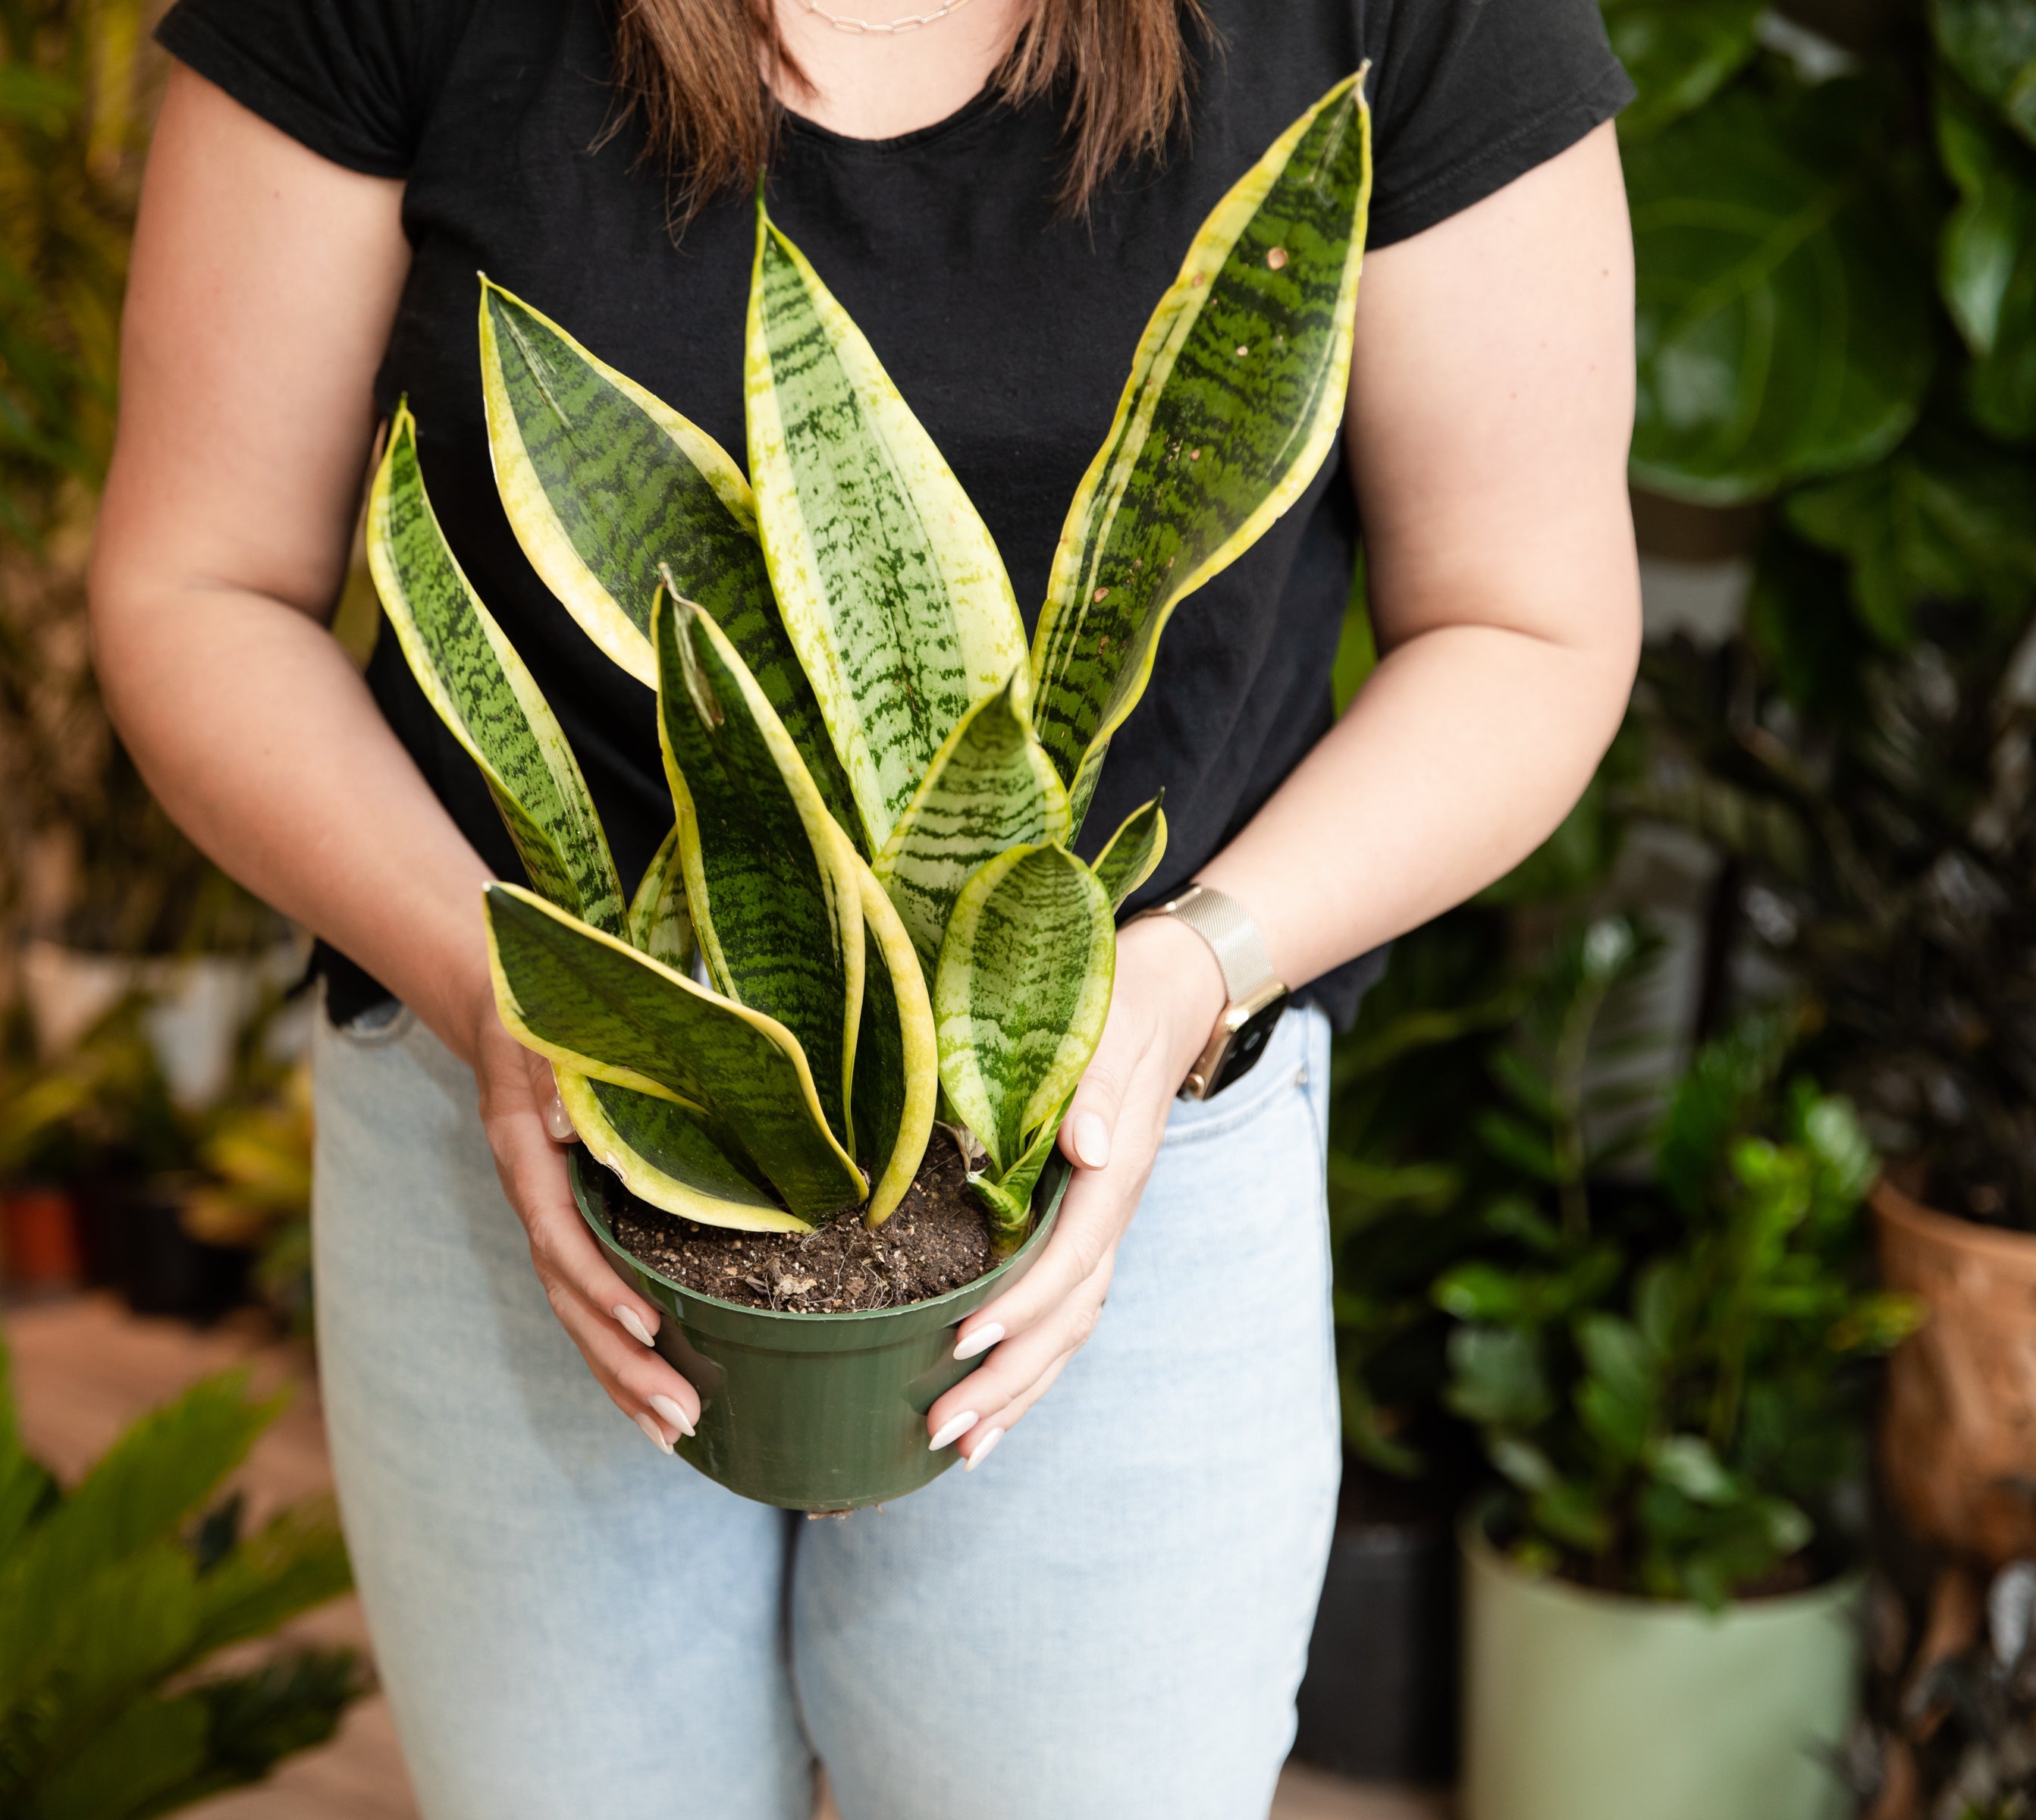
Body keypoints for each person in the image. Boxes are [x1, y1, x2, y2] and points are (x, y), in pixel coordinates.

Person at [89, 0, 1638, 1812]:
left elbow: (1527, 627)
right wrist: (503, 996)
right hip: (524, 1126)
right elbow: (200, 585)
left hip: (1126, 1141)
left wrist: (1178, 981)